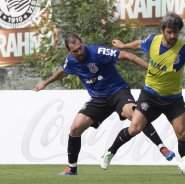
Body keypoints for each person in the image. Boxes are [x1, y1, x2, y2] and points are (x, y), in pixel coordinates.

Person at [33, 34, 175, 175]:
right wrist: (45, 83)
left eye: (80, 48)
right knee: (75, 128)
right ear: (69, 52)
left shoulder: (97, 52)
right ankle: (72, 168)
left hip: (118, 92)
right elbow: (63, 71)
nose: (79, 52)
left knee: (135, 115)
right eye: (75, 51)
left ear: (83, 43)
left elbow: (127, 55)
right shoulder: (71, 61)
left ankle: (162, 147)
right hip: (98, 99)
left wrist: (152, 70)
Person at [100, 12, 185, 170]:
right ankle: (110, 152)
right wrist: (123, 45)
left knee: (182, 134)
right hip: (150, 96)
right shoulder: (152, 41)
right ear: (163, 30)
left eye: (176, 32)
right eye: (169, 32)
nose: (173, 35)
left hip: (173, 99)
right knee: (135, 128)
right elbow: (138, 43)